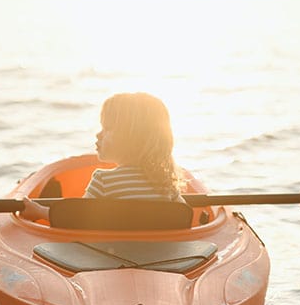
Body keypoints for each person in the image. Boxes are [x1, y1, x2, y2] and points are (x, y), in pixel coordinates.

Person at [20, 92, 182, 220]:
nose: (99, 135)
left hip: (111, 256)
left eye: (107, 129)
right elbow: (184, 216)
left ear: (130, 138)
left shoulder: (104, 181)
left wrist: (39, 211)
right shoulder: (166, 184)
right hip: (160, 256)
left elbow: (75, 219)